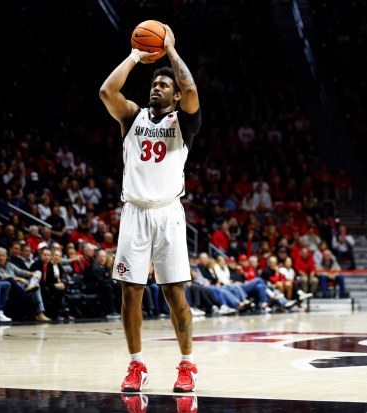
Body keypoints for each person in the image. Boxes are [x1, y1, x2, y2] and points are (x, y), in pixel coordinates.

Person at [99, 24, 201, 393]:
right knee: (130, 293)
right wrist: (135, 56)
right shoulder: (132, 117)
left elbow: (190, 89)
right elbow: (106, 91)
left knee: (176, 294)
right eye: (154, 84)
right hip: (135, 213)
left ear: (174, 97)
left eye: (164, 85)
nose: (156, 87)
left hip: (168, 214)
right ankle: (136, 365)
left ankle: (187, 365)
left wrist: (170, 51)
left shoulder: (184, 123)